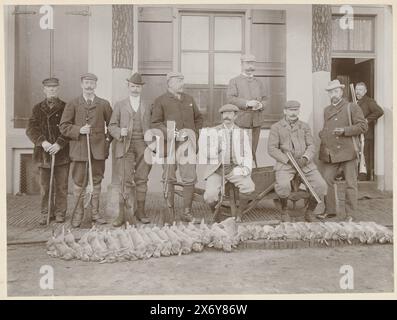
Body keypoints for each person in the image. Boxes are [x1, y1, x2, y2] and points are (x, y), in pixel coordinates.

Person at [59, 73, 113, 228]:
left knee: (96, 181)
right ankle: (78, 214)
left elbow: (112, 126)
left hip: (98, 151)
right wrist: (79, 130)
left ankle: (95, 213)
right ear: (81, 84)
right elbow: (63, 126)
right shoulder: (73, 104)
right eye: (86, 83)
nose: (89, 86)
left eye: (92, 83)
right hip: (79, 150)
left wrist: (106, 142)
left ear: (96, 85)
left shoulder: (103, 104)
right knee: (78, 183)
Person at [151, 72, 203, 222]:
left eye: (182, 80)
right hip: (169, 146)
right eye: (178, 80)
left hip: (187, 145)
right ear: (169, 83)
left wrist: (194, 134)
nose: (182, 83)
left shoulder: (189, 99)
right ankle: (170, 212)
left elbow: (199, 118)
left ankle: (187, 212)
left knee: (189, 178)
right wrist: (171, 133)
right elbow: (155, 123)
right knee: (169, 177)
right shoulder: (160, 101)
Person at [268, 100, 327, 222]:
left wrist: (305, 158)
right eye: (290, 110)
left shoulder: (304, 126)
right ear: (285, 111)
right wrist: (287, 160)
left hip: (305, 164)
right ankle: (284, 211)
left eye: (295, 110)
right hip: (286, 164)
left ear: (299, 111)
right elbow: (272, 149)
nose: (293, 113)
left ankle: (310, 212)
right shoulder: (276, 127)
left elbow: (311, 145)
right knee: (283, 186)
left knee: (321, 185)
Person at [317, 80, 368, 221]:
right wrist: (323, 134)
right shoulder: (327, 110)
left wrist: (345, 130)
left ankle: (350, 214)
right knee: (327, 180)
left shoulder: (352, 107)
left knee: (350, 183)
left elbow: (363, 127)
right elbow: (327, 127)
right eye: (330, 92)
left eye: (336, 91)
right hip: (331, 152)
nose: (333, 94)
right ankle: (331, 210)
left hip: (348, 151)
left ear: (341, 92)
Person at [108, 72, 152, 226]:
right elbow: (111, 126)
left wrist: (152, 140)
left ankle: (140, 211)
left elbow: (154, 125)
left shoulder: (148, 104)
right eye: (133, 86)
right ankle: (122, 214)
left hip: (143, 145)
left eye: (138, 87)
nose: (135, 89)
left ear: (141, 88)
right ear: (128, 86)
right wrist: (120, 131)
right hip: (125, 145)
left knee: (142, 178)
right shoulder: (120, 105)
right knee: (124, 180)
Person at [26, 78, 70, 225]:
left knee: (62, 186)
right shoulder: (37, 108)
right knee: (45, 187)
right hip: (43, 154)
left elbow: (69, 128)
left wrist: (59, 144)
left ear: (58, 89)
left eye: (54, 88)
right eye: (48, 88)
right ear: (44, 89)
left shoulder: (66, 107)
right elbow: (31, 129)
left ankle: (60, 213)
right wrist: (43, 142)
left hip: (62, 153)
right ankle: (46, 213)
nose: (52, 90)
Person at [201, 104, 255, 222]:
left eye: (230, 113)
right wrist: (216, 150)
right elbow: (205, 152)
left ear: (235, 116)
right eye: (224, 114)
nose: (227, 116)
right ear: (222, 116)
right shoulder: (213, 131)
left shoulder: (242, 133)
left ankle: (240, 214)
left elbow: (247, 154)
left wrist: (245, 169)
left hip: (234, 168)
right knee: (210, 196)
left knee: (248, 186)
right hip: (217, 169)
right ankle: (217, 216)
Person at [226, 54, 268, 167]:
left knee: (252, 151)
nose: (250, 66)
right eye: (247, 63)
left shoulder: (259, 82)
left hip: (256, 123)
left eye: (252, 63)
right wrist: (247, 103)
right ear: (242, 64)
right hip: (241, 122)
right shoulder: (234, 81)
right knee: (239, 152)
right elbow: (230, 99)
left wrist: (260, 105)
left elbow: (265, 99)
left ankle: (251, 175)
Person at [355, 82, 384, 181]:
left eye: (360, 90)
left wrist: (367, 120)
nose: (357, 92)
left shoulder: (369, 101)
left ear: (365, 91)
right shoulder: (354, 102)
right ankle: (358, 174)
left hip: (366, 134)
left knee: (364, 153)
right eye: (356, 89)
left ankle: (365, 176)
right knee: (358, 152)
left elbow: (379, 111)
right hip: (356, 133)